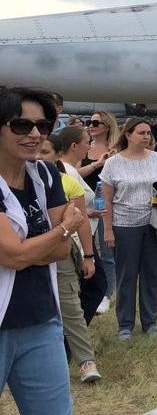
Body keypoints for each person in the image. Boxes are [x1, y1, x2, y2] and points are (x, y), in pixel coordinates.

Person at [0, 87, 81, 414]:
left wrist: (45, 243)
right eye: (22, 126)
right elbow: (13, 255)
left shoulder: (45, 174)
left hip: (41, 319)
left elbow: (60, 252)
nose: (34, 134)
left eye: (43, 126)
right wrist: (64, 228)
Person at [99, 117, 157, 341]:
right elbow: (107, 201)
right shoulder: (113, 163)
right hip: (124, 226)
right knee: (126, 276)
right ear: (128, 135)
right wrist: (108, 230)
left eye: (148, 133)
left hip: (153, 225)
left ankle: (150, 321)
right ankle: (125, 325)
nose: (146, 136)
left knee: (152, 274)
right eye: (141, 133)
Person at [43, 129, 102, 384]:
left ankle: (86, 361)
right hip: (25, 253)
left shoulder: (67, 182)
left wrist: (89, 255)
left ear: (57, 155)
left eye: (44, 152)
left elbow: (82, 223)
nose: (37, 156)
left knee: (70, 307)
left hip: (61, 252)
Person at [79, 110, 118, 312]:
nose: (91, 125)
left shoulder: (115, 150)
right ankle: (87, 288)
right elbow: (74, 173)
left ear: (107, 126)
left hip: (104, 203)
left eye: (96, 122)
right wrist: (96, 164)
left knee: (106, 251)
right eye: (90, 122)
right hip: (82, 203)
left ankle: (106, 293)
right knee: (85, 249)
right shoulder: (85, 148)